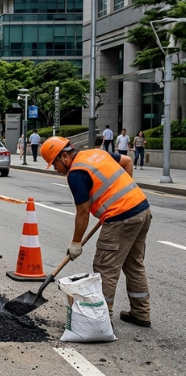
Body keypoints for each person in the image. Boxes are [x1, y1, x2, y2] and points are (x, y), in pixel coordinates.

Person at [41, 136, 152, 328]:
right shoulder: (95, 153)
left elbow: (83, 213)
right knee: (134, 264)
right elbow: (127, 161)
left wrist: (76, 243)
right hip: (142, 209)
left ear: (64, 156)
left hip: (121, 217)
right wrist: (123, 196)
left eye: (55, 164)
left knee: (105, 267)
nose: (56, 169)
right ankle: (141, 313)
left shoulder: (76, 173)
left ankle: (102, 319)